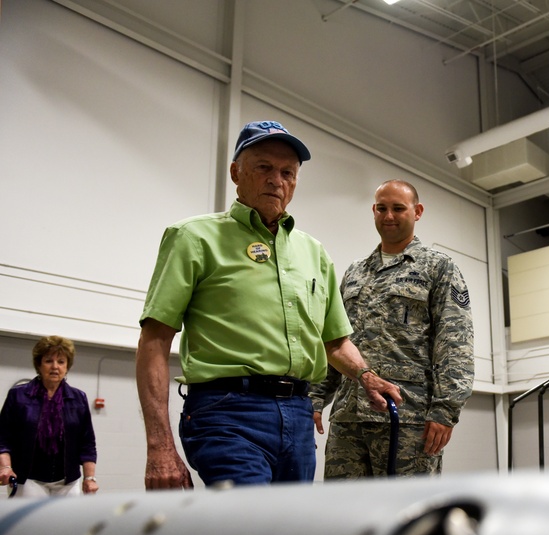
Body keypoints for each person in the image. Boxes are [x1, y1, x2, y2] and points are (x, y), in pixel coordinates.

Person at [136, 120, 401, 490]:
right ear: (235, 172)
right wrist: (159, 445)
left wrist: (366, 376)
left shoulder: (314, 253)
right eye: (263, 167)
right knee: (252, 527)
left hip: (298, 412)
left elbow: (335, 342)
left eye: (287, 172)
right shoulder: (193, 238)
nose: (276, 180)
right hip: (226, 411)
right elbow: (154, 340)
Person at [311, 179, 474, 478]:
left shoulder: (438, 267)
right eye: (382, 208)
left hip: (409, 418)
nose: (389, 216)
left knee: (407, 512)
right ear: (373, 211)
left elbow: (455, 343)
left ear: (417, 211)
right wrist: (317, 397)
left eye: (398, 208)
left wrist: (445, 410)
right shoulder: (355, 272)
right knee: (343, 513)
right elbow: (336, 339)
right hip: (349, 419)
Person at [0, 336, 98, 497]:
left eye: (61, 362)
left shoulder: (78, 398)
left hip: (68, 481)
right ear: (39, 364)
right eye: (48, 361)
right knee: (31, 523)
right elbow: (3, 438)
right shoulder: (18, 396)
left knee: (67, 523)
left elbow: (87, 443)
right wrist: (5, 467)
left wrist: (90, 477)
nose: (55, 367)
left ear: (67, 366)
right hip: (29, 479)